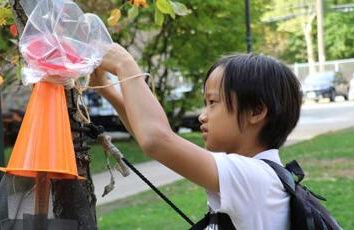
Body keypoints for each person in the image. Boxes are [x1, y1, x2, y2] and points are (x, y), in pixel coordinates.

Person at [90, 43, 302, 229]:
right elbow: (150, 133)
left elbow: (157, 139)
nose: (202, 116)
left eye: (212, 102)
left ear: (255, 112)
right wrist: (108, 91)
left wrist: (125, 65)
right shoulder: (256, 175)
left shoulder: (254, 178)